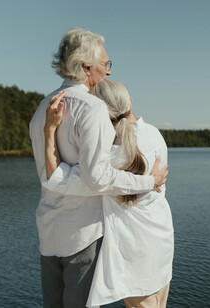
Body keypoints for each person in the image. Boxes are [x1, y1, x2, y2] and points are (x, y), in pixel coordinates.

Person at [29, 28, 168, 308]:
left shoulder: (42, 107)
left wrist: (55, 177)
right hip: (84, 235)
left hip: (48, 231)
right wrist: (147, 182)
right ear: (84, 67)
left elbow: (49, 174)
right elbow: (98, 177)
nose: (107, 72)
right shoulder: (92, 108)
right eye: (105, 64)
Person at [45, 80, 174, 308]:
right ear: (130, 102)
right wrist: (149, 182)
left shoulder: (112, 156)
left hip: (135, 247)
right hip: (161, 237)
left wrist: (50, 130)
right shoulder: (155, 134)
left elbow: (59, 177)